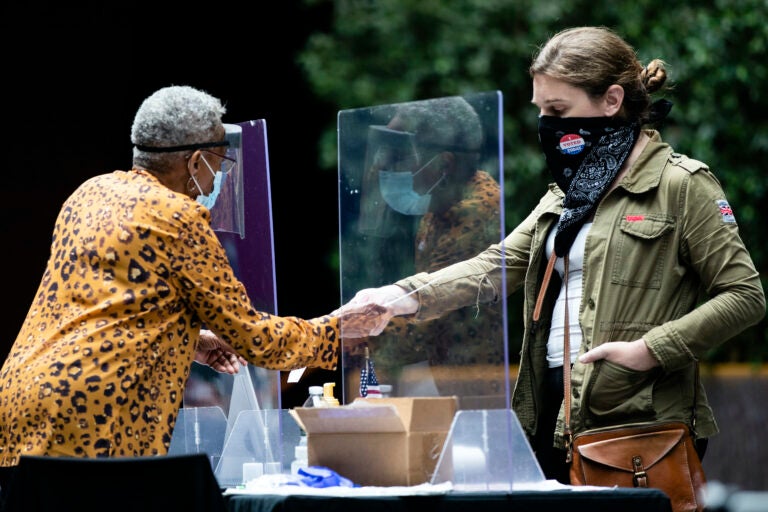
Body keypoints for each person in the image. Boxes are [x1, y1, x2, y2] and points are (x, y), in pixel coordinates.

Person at [335, 26, 766, 483]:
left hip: (636, 418)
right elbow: (496, 264)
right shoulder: (566, 194)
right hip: (552, 412)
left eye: (558, 110)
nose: (547, 124)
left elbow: (745, 294)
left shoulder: (682, 185)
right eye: (541, 110)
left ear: (612, 100)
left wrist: (648, 350)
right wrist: (400, 295)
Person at [0, 86, 372, 479]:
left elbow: (98, 307)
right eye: (220, 164)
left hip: (21, 402)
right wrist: (336, 331)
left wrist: (190, 340)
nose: (218, 180)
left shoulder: (88, 194)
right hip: (93, 419)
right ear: (195, 162)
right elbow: (253, 337)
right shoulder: (178, 217)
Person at [348, 96, 505, 402]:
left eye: (400, 155)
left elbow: (430, 316)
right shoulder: (440, 205)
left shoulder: (476, 211)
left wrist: (346, 334)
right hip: (449, 381)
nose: (386, 165)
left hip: (480, 389)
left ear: (444, 164)